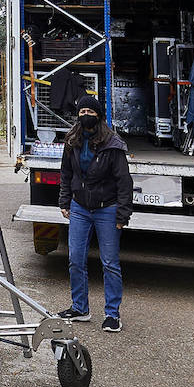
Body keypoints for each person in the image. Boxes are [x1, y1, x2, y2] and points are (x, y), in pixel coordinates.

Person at [56, 96, 132, 332]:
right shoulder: (72, 140)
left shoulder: (113, 144)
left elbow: (124, 182)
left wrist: (122, 214)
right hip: (79, 207)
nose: (85, 114)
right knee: (75, 259)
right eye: (81, 111)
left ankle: (112, 315)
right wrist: (64, 200)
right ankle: (80, 308)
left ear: (98, 115)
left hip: (107, 208)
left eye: (90, 110)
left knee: (109, 263)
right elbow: (66, 173)